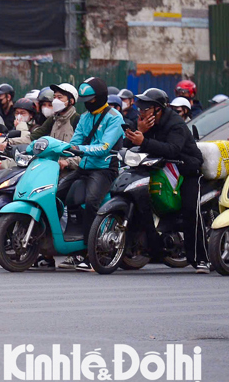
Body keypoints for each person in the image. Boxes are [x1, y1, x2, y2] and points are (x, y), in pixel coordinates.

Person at [125, 88, 208, 271]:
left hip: (186, 169)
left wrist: (143, 141)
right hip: (159, 169)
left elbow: (172, 150)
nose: (141, 111)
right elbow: (130, 145)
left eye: (146, 108)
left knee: (190, 210)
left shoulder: (175, 124)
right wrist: (140, 131)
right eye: (140, 108)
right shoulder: (145, 122)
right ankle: (150, 248)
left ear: (157, 109)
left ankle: (201, 257)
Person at [51, 77, 125, 271]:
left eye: (90, 99)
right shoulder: (85, 117)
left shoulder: (115, 118)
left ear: (99, 97)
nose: (88, 103)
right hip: (84, 167)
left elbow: (103, 148)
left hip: (105, 169)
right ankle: (64, 246)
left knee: (91, 202)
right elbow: (73, 142)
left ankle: (89, 253)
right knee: (57, 195)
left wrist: (78, 149)